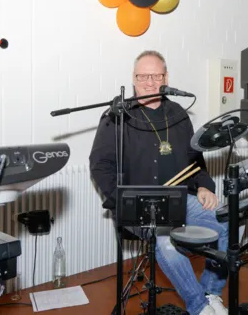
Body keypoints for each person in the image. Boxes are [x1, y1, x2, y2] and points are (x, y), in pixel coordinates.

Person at [89, 50, 229, 315]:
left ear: (166, 78)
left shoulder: (178, 114)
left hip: (179, 199)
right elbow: (100, 165)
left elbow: (194, 159)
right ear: (133, 79)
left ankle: (211, 292)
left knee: (227, 221)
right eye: (143, 76)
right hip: (138, 205)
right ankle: (200, 308)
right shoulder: (116, 115)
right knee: (165, 242)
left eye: (156, 76)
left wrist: (203, 186)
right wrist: (123, 200)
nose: (150, 82)